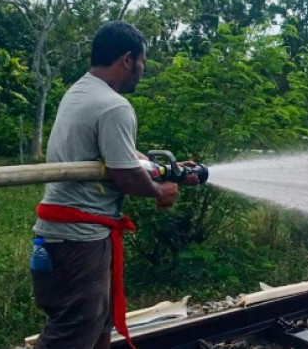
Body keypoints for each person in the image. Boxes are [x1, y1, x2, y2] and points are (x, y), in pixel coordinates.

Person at [31, 21, 199, 349]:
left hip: (64, 236)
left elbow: (122, 155)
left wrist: (166, 171)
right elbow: (125, 174)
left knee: (96, 325)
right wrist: (159, 192)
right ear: (127, 59)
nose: (142, 70)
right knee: (74, 331)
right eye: (142, 63)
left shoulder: (80, 91)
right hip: (80, 240)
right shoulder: (115, 105)